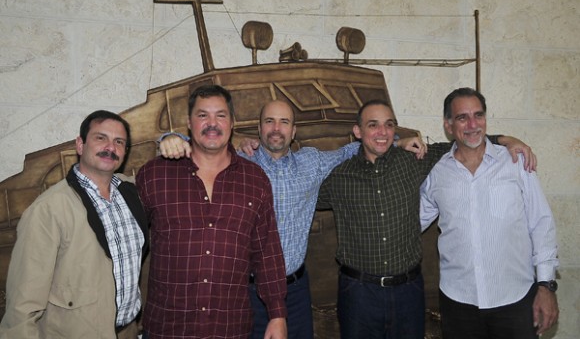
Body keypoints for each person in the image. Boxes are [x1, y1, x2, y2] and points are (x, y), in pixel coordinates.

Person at [315, 99, 536, 339]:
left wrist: (505, 139)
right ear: (358, 132)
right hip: (358, 293)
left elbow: (464, 141)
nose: (382, 132)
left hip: (408, 291)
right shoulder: (338, 176)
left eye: (389, 125)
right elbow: (305, 198)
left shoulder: (413, 160)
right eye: (373, 125)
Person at [159, 99, 362, 339]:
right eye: (269, 121)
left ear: (293, 131)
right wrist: (169, 139)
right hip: (245, 291)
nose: (276, 128)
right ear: (259, 128)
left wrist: (398, 143)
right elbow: (202, 145)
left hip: (294, 289)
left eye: (284, 122)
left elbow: (351, 150)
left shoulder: (313, 162)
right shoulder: (237, 163)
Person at [136, 85, 288, 339]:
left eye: (220, 115)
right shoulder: (155, 175)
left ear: (232, 123)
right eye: (202, 115)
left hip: (230, 327)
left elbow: (267, 253)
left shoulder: (255, 181)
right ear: (188, 123)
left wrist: (277, 314)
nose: (212, 123)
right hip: (168, 327)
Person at [420, 87, 559, 339]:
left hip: (515, 299)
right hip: (458, 302)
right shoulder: (437, 172)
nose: (472, 124)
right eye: (462, 117)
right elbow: (412, 222)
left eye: (478, 115)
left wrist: (546, 286)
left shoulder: (517, 162)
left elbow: (541, 224)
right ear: (448, 126)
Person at [0, 110, 148, 339]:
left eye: (119, 141)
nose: (111, 147)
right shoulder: (48, 210)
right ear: (80, 144)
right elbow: (22, 307)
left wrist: (175, 140)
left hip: (127, 331)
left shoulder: (132, 193)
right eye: (101, 138)